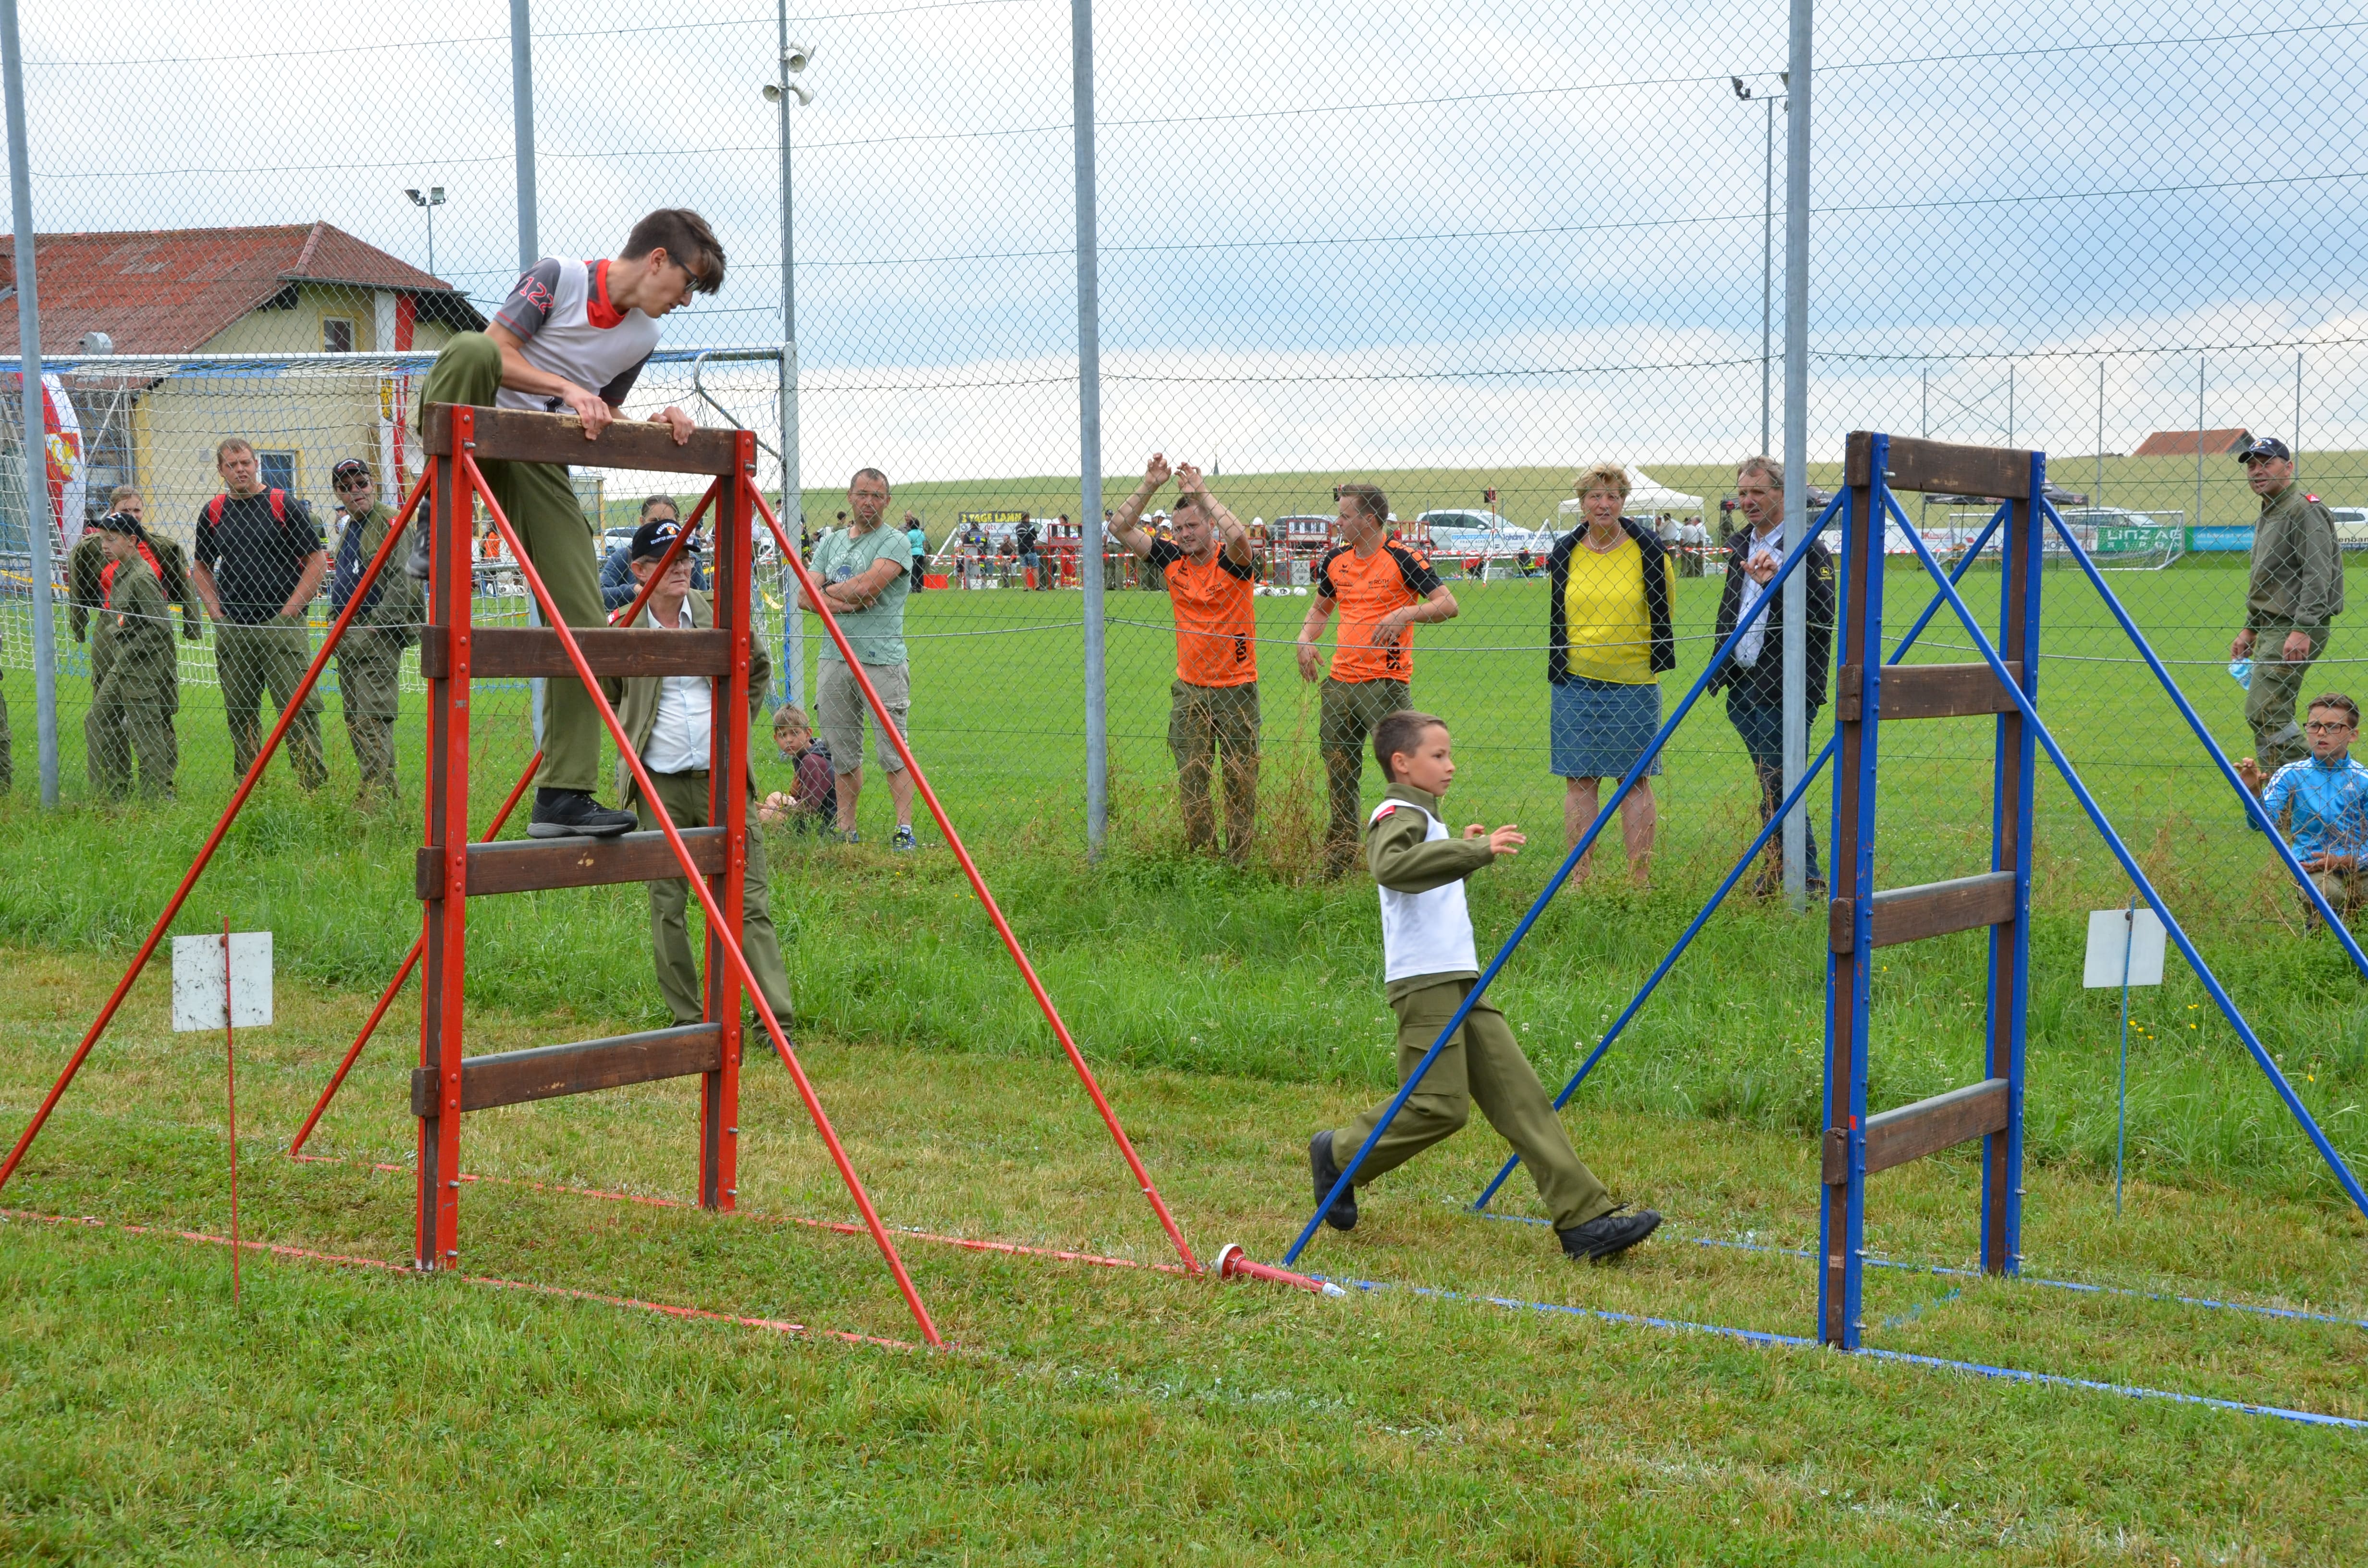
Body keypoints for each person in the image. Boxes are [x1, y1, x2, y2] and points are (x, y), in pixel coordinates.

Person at [411, 207, 724, 839]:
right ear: (658, 259)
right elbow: (496, 353)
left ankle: (563, 795)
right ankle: (433, 517)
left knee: (585, 624)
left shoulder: (642, 339)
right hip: (475, 419)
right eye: (687, 283)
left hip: (538, 459)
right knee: (469, 347)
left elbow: (598, 416)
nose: (686, 300)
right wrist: (564, 386)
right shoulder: (559, 278)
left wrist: (654, 422)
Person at [1305, 710, 1660, 1260]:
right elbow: (1390, 867)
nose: (1450, 766)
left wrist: (1459, 851)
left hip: (1459, 980)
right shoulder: (1395, 811)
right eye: (1438, 755)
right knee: (1437, 1106)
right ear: (1402, 763)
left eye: (1448, 755)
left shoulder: (1426, 817)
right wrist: (1472, 851)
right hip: (1424, 985)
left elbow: (1423, 875)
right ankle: (1339, 1154)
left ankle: (1583, 1221)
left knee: (1522, 1099)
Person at [608, 514, 797, 1029]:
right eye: (671, 561)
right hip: (659, 786)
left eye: (689, 559)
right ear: (641, 570)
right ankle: (688, 1020)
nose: (684, 568)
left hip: (723, 782)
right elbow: (606, 691)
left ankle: (773, 1020)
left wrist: (736, 721)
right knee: (667, 903)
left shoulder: (720, 614)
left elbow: (756, 668)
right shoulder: (625, 627)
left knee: (747, 897)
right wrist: (635, 730)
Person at [1296, 483, 1458, 876]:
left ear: (1369, 520)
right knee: (1338, 770)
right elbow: (1321, 609)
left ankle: (1420, 854)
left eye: (1346, 516)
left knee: (1408, 772)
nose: (1338, 522)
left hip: (1385, 685)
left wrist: (1406, 614)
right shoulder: (1336, 560)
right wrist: (1304, 638)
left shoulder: (1403, 558)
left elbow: (1447, 605)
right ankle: (1341, 857)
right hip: (1339, 684)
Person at [1108, 453, 1261, 862]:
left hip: (1236, 689)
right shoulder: (1171, 559)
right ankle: (1202, 861)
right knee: (1192, 779)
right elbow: (1119, 528)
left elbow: (1242, 539)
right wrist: (1150, 484)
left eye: (1193, 526)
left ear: (1210, 525)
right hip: (1190, 690)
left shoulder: (1233, 562)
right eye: (1178, 529)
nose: (1186, 534)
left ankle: (1241, 863)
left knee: (1240, 781)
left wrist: (1202, 494)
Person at [1707, 455, 1834, 896]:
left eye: (1758, 492)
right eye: (1742, 493)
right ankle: (1783, 869)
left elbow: (1821, 618)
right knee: (1771, 783)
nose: (1748, 501)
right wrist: (1719, 666)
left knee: (1782, 784)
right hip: (1743, 685)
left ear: (1783, 493)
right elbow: (1732, 608)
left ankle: (1808, 879)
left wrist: (1775, 584)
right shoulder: (1743, 543)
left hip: (1786, 686)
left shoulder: (1808, 546)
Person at [1545, 463, 1673, 887]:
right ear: (1581, 503)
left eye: (1613, 496)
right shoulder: (1565, 552)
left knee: (1634, 782)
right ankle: (1580, 880)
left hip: (1634, 683)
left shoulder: (1649, 551)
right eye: (1595, 496)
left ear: (1623, 501)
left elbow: (1665, 612)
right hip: (1575, 683)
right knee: (1580, 782)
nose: (1604, 504)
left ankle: (1640, 881)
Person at [192, 437, 330, 789]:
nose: (240, 470)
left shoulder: (284, 504)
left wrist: (289, 612)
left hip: (280, 627)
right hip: (235, 630)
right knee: (241, 715)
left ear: (257, 464)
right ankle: (251, 792)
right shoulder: (213, 512)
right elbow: (201, 569)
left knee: (297, 713)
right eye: (231, 465)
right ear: (221, 471)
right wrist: (216, 616)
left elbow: (317, 563)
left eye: (245, 463)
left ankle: (313, 790)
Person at [802, 467, 918, 849]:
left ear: (887, 502)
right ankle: (845, 830)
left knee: (894, 750)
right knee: (842, 751)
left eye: (878, 496)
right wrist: (846, 603)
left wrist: (826, 593)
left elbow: (870, 585)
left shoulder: (895, 542)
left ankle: (904, 831)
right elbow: (805, 595)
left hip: (880, 660)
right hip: (834, 658)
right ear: (850, 497)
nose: (869, 502)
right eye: (863, 494)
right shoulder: (831, 541)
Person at [2232, 437, 2343, 775]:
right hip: (2272, 626)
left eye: (2267, 462)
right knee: (2271, 715)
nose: (2257, 470)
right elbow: (2269, 578)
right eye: (2251, 465)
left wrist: (2303, 628)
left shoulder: (2302, 508)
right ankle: (2282, 803)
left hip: (2293, 628)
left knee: (2263, 711)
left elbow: (2317, 572)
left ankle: (2322, 787)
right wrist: (2252, 626)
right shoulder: (2271, 509)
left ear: (2289, 467)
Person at [326, 457, 423, 803]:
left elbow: (407, 580)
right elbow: (343, 578)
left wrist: (376, 626)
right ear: (338, 493)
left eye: (361, 483)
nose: (356, 491)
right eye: (346, 487)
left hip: (375, 638)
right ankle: (382, 795)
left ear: (373, 484)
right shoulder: (353, 527)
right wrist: (333, 617)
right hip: (348, 636)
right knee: (355, 719)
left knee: (372, 719)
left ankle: (375, 798)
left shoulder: (389, 523)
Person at [2238, 693, 2368, 924]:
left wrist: (2349, 861)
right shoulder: (2291, 775)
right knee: (2327, 894)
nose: (2321, 733)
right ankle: (2320, 940)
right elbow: (2261, 825)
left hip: (2360, 864)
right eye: (2314, 726)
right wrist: (2254, 793)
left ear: (2353, 735)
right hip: (2314, 869)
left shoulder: (2363, 780)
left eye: (2333, 727)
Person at [84, 511, 179, 800]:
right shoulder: (122, 571)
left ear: (132, 541)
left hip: (142, 667)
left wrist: (130, 647)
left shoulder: (142, 576)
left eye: (112, 539)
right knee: (97, 719)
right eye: (102, 539)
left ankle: (156, 798)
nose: (104, 546)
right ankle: (112, 795)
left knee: (146, 733)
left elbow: (161, 628)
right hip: (122, 664)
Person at [758, 703, 838, 833]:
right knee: (775, 797)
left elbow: (809, 807)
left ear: (808, 734)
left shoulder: (812, 761)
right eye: (782, 735)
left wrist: (774, 810)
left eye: (794, 733)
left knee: (763, 815)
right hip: (809, 810)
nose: (789, 740)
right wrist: (795, 794)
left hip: (822, 822)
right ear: (776, 739)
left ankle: (788, 833)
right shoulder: (805, 752)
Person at [603, 495, 685, 611]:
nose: (660, 527)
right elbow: (601, 594)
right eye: (654, 521)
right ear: (642, 521)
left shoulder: (689, 561)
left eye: (668, 521)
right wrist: (633, 590)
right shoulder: (624, 556)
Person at [1014, 514, 1044, 591]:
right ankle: (1037, 586)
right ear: (1027, 518)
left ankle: (1025, 587)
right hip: (1030, 549)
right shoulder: (1030, 527)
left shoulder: (1017, 527)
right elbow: (1034, 538)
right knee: (1035, 567)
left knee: (1023, 568)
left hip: (1021, 550)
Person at [905, 512, 928, 594]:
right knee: (920, 570)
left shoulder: (910, 534)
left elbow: (907, 544)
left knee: (913, 570)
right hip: (921, 553)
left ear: (911, 525)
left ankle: (914, 586)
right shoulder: (922, 533)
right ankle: (920, 587)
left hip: (913, 553)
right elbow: (924, 543)